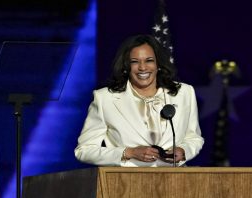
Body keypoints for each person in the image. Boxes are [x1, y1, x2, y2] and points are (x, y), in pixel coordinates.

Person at [75, 34, 204, 167]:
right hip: (126, 183)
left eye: (149, 60)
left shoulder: (184, 93)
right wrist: (128, 152)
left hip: (175, 181)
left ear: (158, 64)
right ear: (126, 66)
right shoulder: (104, 99)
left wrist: (184, 151)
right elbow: (84, 150)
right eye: (135, 61)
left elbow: (193, 137)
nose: (143, 68)